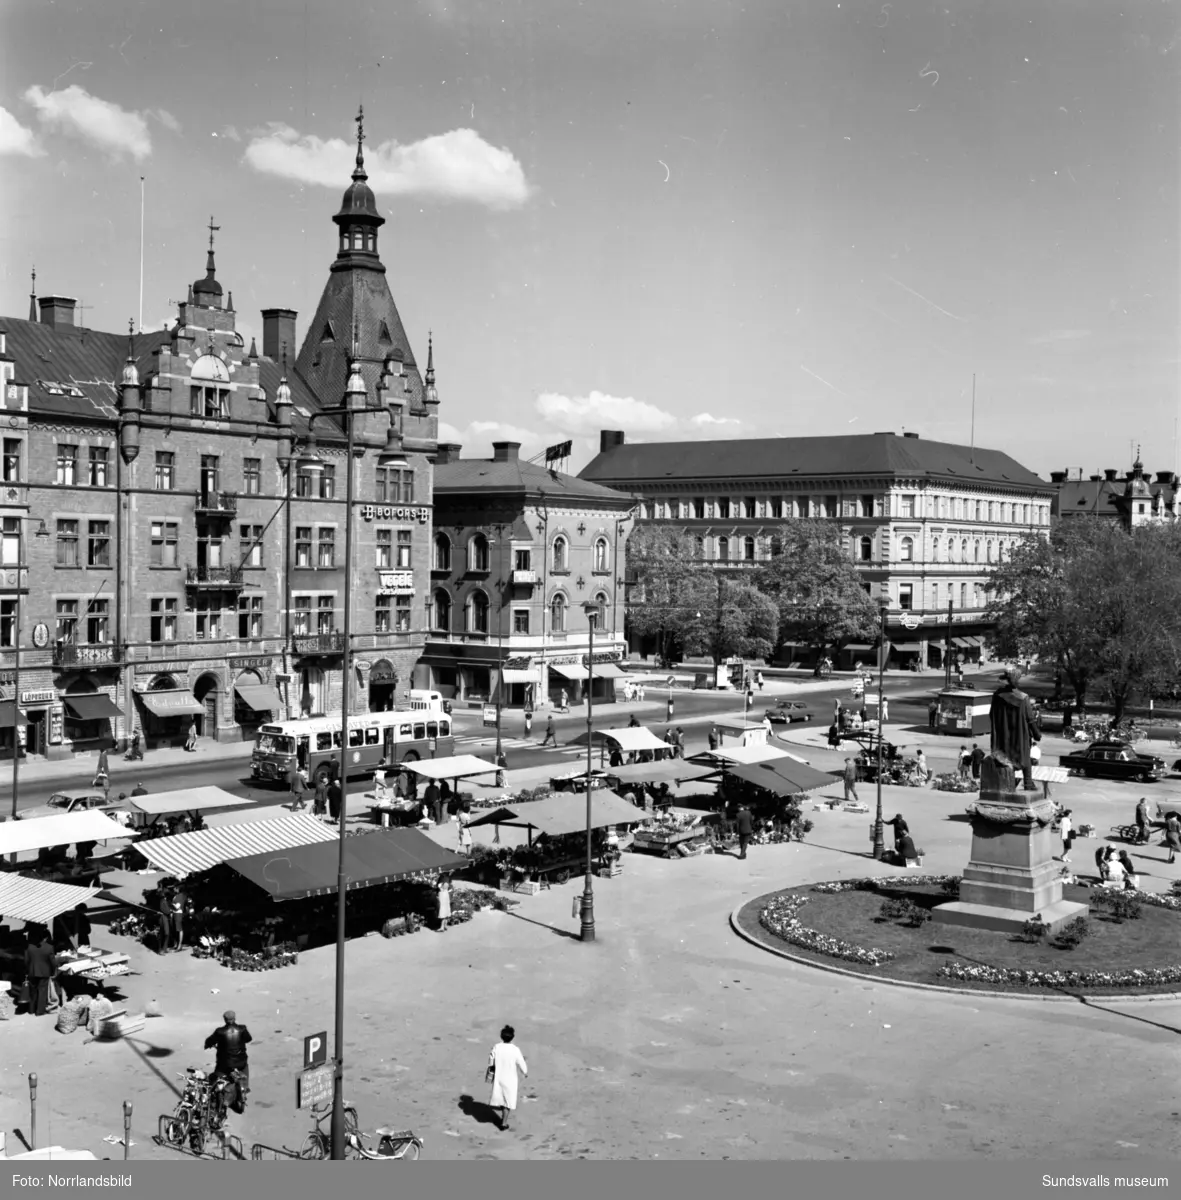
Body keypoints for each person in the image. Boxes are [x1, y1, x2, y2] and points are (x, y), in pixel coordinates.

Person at [989, 670, 1041, 789]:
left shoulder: (997, 696)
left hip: (1003, 735)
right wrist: (1037, 734)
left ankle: (1008, 784)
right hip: (1020, 735)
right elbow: (1030, 719)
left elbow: (992, 714)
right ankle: (1028, 783)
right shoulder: (1023, 698)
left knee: (1005, 759)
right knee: (1025, 759)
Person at [204, 1010, 253, 1115]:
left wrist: (207, 1045)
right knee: (245, 1066)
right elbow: (249, 1039)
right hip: (241, 1062)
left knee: (215, 1076)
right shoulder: (242, 1029)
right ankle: (245, 1087)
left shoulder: (220, 1031)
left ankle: (215, 1099)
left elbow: (210, 1041)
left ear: (225, 1019)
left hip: (225, 1064)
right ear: (234, 1018)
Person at [487, 1025, 528, 1132]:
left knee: (501, 1098)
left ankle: (502, 1118)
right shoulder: (515, 1049)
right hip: (511, 1079)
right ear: (512, 1037)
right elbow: (521, 1062)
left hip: (499, 1077)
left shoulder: (497, 1047)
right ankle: (503, 1123)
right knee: (508, 1101)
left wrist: (492, 1067)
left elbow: (491, 1060)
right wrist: (525, 1071)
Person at [24, 928, 57, 1017]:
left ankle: (31, 1009)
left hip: (32, 972)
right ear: (45, 938)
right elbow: (53, 962)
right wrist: (53, 972)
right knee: (42, 991)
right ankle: (40, 1011)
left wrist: (27, 971)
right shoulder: (49, 948)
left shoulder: (29, 947)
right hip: (44, 972)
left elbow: (26, 961)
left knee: (32, 991)